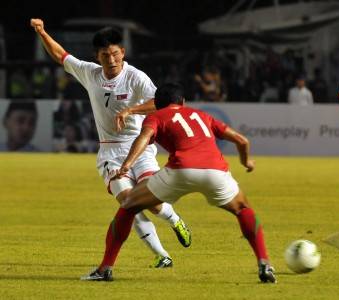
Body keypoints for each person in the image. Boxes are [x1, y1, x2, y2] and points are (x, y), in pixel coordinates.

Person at [30, 18, 191, 271]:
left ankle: (174, 219)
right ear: (98, 56)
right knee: (129, 202)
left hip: (141, 147)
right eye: (105, 55)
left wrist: (131, 110)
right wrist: (41, 32)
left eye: (115, 53)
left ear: (122, 52)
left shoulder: (136, 77)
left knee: (153, 202)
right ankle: (162, 255)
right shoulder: (90, 73)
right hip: (110, 152)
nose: (111, 60)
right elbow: (60, 54)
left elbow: (162, 102)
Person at [86, 83, 276, 283]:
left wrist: (127, 165)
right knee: (243, 209)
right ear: (183, 102)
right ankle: (264, 264)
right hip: (216, 171)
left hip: (181, 170)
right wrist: (246, 161)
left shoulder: (156, 116)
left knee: (129, 206)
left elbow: (144, 137)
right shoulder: (202, 115)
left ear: (157, 104)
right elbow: (242, 141)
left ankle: (104, 268)